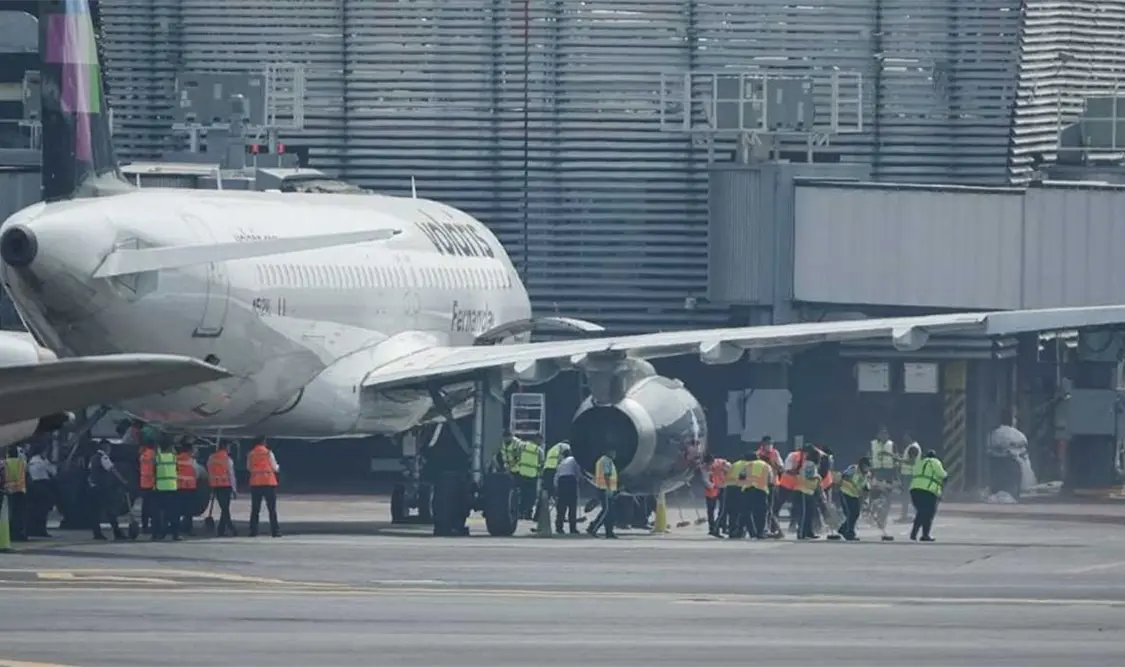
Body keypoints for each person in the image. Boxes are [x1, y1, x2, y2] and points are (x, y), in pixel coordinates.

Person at [88, 442, 127, 541]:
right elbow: (113, 470)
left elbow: (90, 472)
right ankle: (117, 533)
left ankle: (97, 533)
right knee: (110, 511)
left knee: (96, 512)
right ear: (105, 448)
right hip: (103, 489)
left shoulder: (93, 458)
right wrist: (123, 480)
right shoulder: (104, 457)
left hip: (94, 488)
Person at [247, 437, 282, 538]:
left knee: (255, 509)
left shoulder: (251, 454)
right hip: (268, 482)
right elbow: (274, 467)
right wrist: (278, 467)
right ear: (263, 442)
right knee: (272, 509)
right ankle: (275, 531)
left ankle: (253, 531)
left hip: (256, 483)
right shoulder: (268, 453)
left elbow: (249, 467)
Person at [910, 450, 947, 542]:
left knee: (921, 512)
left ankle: (914, 533)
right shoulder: (935, 462)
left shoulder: (920, 462)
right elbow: (942, 475)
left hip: (914, 490)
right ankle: (925, 535)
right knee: (929, 513)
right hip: (928, 490)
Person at [206, 442, 238, 537]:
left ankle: (222, 529)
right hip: (225, 485)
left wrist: (211, 484)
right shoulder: (227, 459)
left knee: (224, 508)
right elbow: (231, 475)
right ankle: (231, 527)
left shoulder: (211, 458)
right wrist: (234, 489)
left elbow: (209, 471)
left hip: (216, 485)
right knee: (225, 508)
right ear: (225, 447)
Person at [152, 439, 180, 541]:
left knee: (160, 513)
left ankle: (160, 534)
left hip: (160, 488)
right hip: (172, 487)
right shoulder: (173, 457)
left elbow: (153, 471)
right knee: (174, 513)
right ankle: (175, 534)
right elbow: (177, 470)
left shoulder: (158, 458)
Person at [836, 457, 871, 541]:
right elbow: (844, 476)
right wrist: (851, 484)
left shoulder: (866, 474)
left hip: (854, 495)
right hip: (846, 492)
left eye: (868, 467)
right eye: (865, 466)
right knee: (852, 513)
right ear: (861, 465)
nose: (867, 468)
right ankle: (850, 533)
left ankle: (843, 529)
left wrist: (865, 496)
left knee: (855, 514)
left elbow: (865, 486)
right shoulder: (854, 469)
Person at [27, 444, 57, 538]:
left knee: (37, 509)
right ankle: (40, 530)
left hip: (35, 485)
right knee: (42, 510)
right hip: (42, 485)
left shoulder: (32, 460)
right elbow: (53, 471)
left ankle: (35, 529)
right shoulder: (41, 461)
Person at [587, 448, 618, 538]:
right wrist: (609, 488)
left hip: (604, 488)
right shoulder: (606, 461)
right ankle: (593, 528)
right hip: (605, 489)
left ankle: (609, 532)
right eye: (613, 452)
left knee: (610, 512)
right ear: (608, 452)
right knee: (606, 511)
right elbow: (607, 475)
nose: (614, 454)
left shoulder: (602, 460)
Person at [743, 452, 775, 539]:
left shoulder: (747, 465)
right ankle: (760, 532)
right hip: (761, 490)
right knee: (761, 512)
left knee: (749, 512)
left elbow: (741, 477)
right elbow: (770, 480)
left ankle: (752, 532)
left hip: (748, 490)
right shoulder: (766, 465)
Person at [795, 446, 822, 540]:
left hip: (810, 491)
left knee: (810, 513)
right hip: (803, 490)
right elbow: (809, 475)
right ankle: (801, 533)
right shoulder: (809, 464)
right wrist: (818, 477)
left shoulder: (812, 464)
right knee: (804, 513)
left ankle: (809, 532)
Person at [553, 444, 580, 534]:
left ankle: (559, 527)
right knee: (572, 507)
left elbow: (556, 477)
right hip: (570, 481)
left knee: (561, 507)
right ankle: (573, 528)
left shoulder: (561, 463)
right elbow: (577, 471)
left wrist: (556, 488)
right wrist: (578, 480)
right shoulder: (574, 460)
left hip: (561, 482)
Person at [3, 444, 29, 541]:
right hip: (20, 490)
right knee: (20, 514)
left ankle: (10, 533)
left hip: (8, 491)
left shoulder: (4, 463)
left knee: (10, 513)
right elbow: (26, 473)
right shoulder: (22, 463)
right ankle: (19, 533)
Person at [701, 454, 729, 537]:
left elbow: (730, 468)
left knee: (723, 510)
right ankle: (712, 528)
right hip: (711, 490)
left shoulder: (721, 463)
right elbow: (705, 479)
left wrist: (725, 469)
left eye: (709, 464)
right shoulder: (704, 467)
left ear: (712, 462)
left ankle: (722, 527)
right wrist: (712, 486)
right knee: (710, 510)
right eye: (706, 464)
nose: (708, 466)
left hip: (722, 487)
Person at [515, 436, 543, 520]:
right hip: (532, 476)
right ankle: (528, 513)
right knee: (531, 497)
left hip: (522, 474)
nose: (541, 443)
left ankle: (520, 512)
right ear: (537, 439)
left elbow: (517, 456)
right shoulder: (539, 450)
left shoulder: (523, 446)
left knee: (522, 495)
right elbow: (541, 463)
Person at [176, 441, 199, 535]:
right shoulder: (192, 461)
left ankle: (177, 529)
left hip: (178, 487)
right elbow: (196, 474)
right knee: (189, 511)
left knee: (177, 509)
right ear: (189, 450)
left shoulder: (176, 459)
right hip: (189, 488)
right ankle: (188, 529)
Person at [898, 434, 921, 521]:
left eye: (906, 437)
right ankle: (914, 514)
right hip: (910, 475)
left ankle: (905, 516)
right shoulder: (912, 447)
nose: (904, 439)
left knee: (906, 496)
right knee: (910, 496)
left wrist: (899, 460)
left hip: (910, 475)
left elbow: (912, 462)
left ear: (910, 437)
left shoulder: (913, 447)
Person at [137, 438, 156, 533]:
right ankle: (153, 525)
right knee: (153, 506)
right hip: (152, 483)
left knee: (145, 507)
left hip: (143, 483)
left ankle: (144, 526)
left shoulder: (142, 455)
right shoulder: (153, 454)